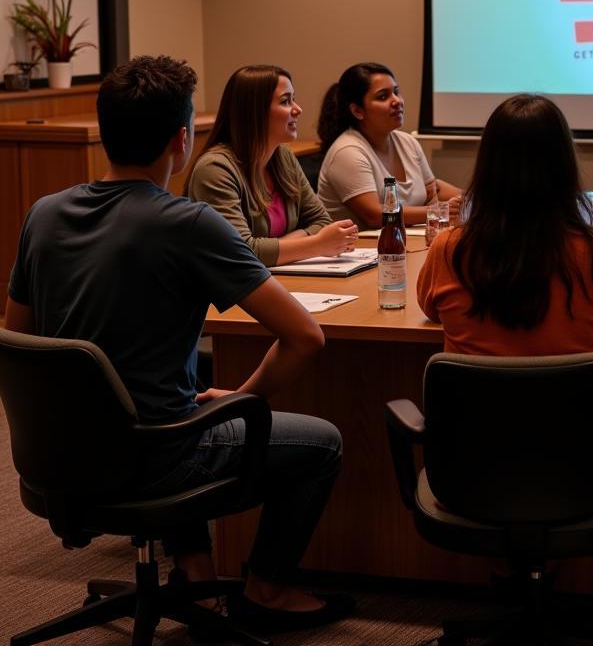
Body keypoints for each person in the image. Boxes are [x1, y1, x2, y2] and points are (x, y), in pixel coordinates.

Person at [5, 56, 352, 630]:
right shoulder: (188, 223)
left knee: (174, 400)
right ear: (182, 140)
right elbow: (305, 336)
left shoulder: (43, 214)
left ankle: (196, 578)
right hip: (153, 456)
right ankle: (265, 589)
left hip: (53, 457)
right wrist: (241, 397)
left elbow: (16, 338)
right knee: (321, 443)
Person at [416, 94, 593, 507]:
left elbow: (431, 309)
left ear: (487, 167)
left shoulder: (450, 249)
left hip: (467, 473)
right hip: (589, 475)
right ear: (565, 166)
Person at [188, 64, 357, 266]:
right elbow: (241, 253)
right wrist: (317, 244)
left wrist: (273, 248)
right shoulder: (215, 169)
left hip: (281, 278)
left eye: (293, 99)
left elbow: (322, 222)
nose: (298, 109)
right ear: (254, 111)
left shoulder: (282, 155)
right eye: (286, 101)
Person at [317, 62, 461, 227]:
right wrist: (439, 212)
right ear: (357, 111)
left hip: (404, 243)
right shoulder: (347, 151)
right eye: (383, 97)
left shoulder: (408, 142)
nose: (397, 101)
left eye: (396, 92)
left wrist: (471, 200)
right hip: (357, 249)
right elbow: (375, 216)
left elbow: (432, 192)